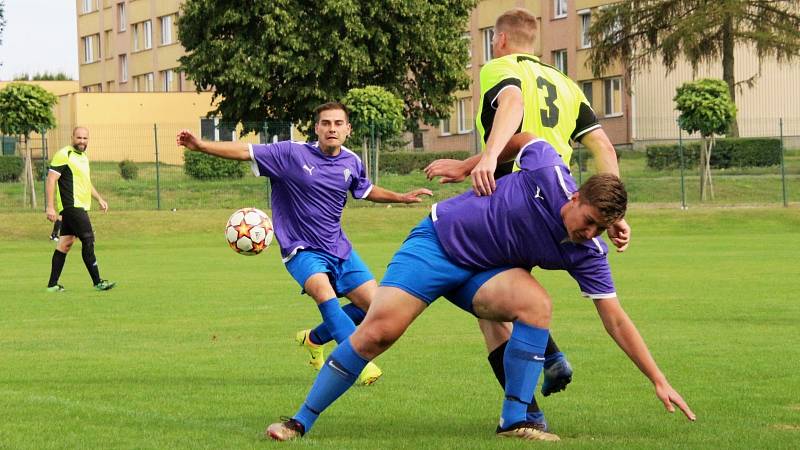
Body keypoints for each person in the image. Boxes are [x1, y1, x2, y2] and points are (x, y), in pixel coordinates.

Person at [266, 133, 695, 442]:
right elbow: (519, 137)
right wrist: (475, 163)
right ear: (576, 196)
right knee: (379, 333)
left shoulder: (587, 252)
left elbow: (615, 320)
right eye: (589, 221)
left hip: (483, 274)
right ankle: (299, 420)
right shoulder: (548, 168)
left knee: (536, 304)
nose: (591, 233)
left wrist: (658, 379)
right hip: (436, 244)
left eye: (602, 228)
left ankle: (515, 420)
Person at [424, 7, 632, 428]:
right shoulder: (569, 85)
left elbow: (513, 116)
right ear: (535, 43)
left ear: (499, 41)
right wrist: (612, 212)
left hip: (507, 198)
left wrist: (475, 163)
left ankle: (525, 415)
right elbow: (605, 151)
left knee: (489, 312)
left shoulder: (498, 67)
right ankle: (547, 363)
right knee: (514, 300)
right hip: (561, 205)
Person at [176, 102, 432, 386]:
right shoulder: (290, 153)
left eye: (337, 123)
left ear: (348, 129)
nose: (331, 128)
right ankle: (359, 363)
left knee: (378, 309)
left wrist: (401, 197)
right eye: (325, 123)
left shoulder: (351, 161)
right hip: (301, 249)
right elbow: (243, 151)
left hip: (339, 248)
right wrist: (200, 145)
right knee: (325, 295)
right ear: (316, 128)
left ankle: (315, 338)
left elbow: (365, 190)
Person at [45, 126, 116, 292]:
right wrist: (50, 206)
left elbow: (86, 183)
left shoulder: (83, 157)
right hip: (72, 206)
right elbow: (50, 179)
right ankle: (98, 281)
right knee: (88, 239)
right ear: (72, 137)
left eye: (85, 138)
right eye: (79, 138)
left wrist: (99, 199)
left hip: (79, 206)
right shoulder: (64, 154)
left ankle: (52, 285)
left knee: (65, 244)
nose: (82, 141)